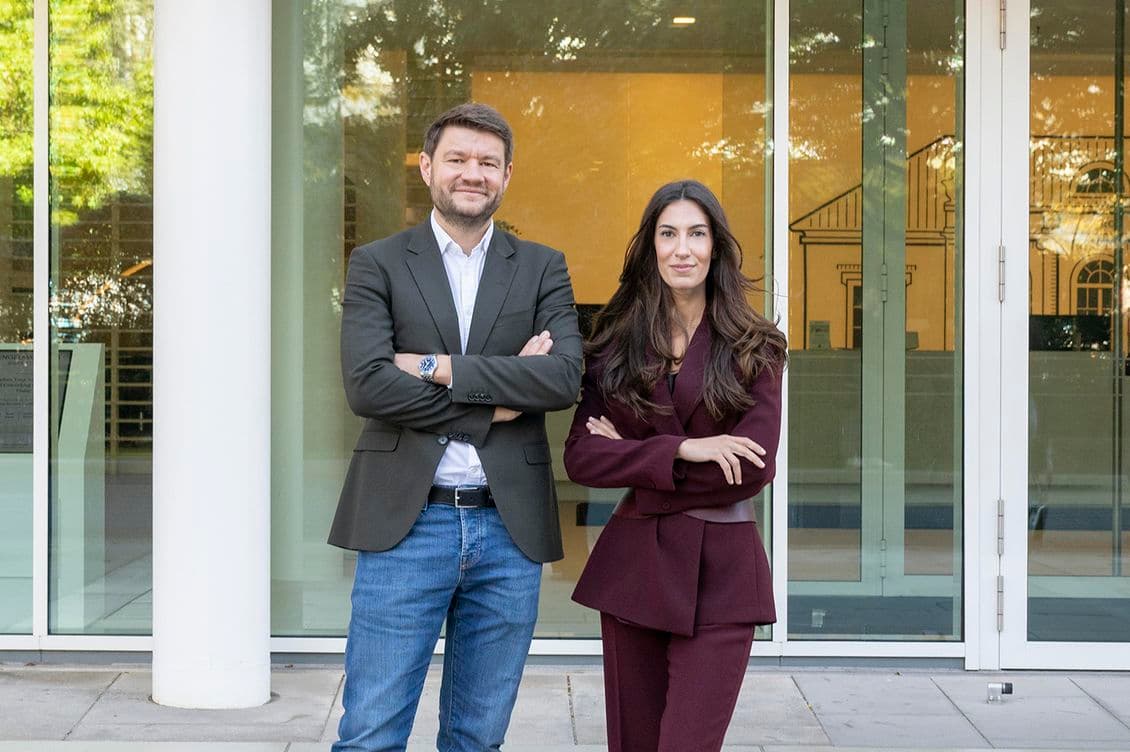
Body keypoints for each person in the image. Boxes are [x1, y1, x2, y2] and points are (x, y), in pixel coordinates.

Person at [329, 102, 582, 752]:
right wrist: (496, 399)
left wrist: (436, 368)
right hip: (405, 527)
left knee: (478, 740)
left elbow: (560, 379)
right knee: (370, 735)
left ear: (506, 175)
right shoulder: (378, 263)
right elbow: (368, 384)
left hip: (508, 528)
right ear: (426, 166)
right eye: (458, 159)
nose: (473, 173)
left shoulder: (541, 266)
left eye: (487, 163)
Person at [563, 179, 786, 752]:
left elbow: (754, 468)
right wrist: (686, 449)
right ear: (650, 246)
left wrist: (633, 456)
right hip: (634, 571)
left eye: (696, 233)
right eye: (668, 234)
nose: (681, 248)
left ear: (716, 247)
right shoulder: (613, 344)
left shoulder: (756, 346)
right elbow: (583, 456)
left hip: (724, 573)